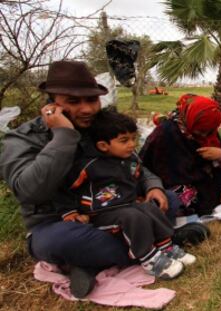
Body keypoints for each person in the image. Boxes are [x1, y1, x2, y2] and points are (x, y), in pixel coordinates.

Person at [0, 61, 179, 299]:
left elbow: (134, 164)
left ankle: (95, 262)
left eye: (91, 100)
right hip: (65, 223)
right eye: (73, 101)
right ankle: (155, 243)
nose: (86, 109)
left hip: (117, 211)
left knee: (169, 200)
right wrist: (64, 136)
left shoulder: (102, 127)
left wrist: (152, 185)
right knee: (58, 243)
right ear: (52, 103)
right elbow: (30, 192)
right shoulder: (22, 139)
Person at [57, 109, 196, 281]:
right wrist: (70, 212)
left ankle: (165, 247)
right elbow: (64, 188)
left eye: (133, 138)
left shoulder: (131, 160)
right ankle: (148, 258)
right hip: (101, 213)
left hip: (128, 205)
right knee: (134, 217)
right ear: (103, 145)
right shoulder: (89, 166)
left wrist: (148, 190)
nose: (131, 144)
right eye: (124, 141)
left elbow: (139, 177)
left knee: (150, 209)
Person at [139, 94, 221, 216]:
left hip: (202, 174)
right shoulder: (166, 132)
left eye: (209, 131)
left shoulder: (209, 128)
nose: (204, 135)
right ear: (191, 119)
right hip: (175, 178)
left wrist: (220, 154)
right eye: (201, 130)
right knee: (181, 196)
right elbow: (156, 166)